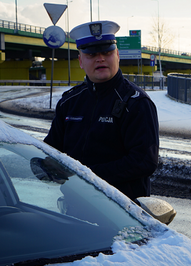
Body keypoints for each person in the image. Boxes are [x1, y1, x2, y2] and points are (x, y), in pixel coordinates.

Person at [44, 20, 159, 200]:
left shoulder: (136, 102)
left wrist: (87, 176)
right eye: (91, 54)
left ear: (117, 55)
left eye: (107, 52)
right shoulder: (69, 102)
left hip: (122, 212)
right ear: (81, 61)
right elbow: (52, 151)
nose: (100, 59)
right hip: (75, 205)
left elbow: (144, 161)